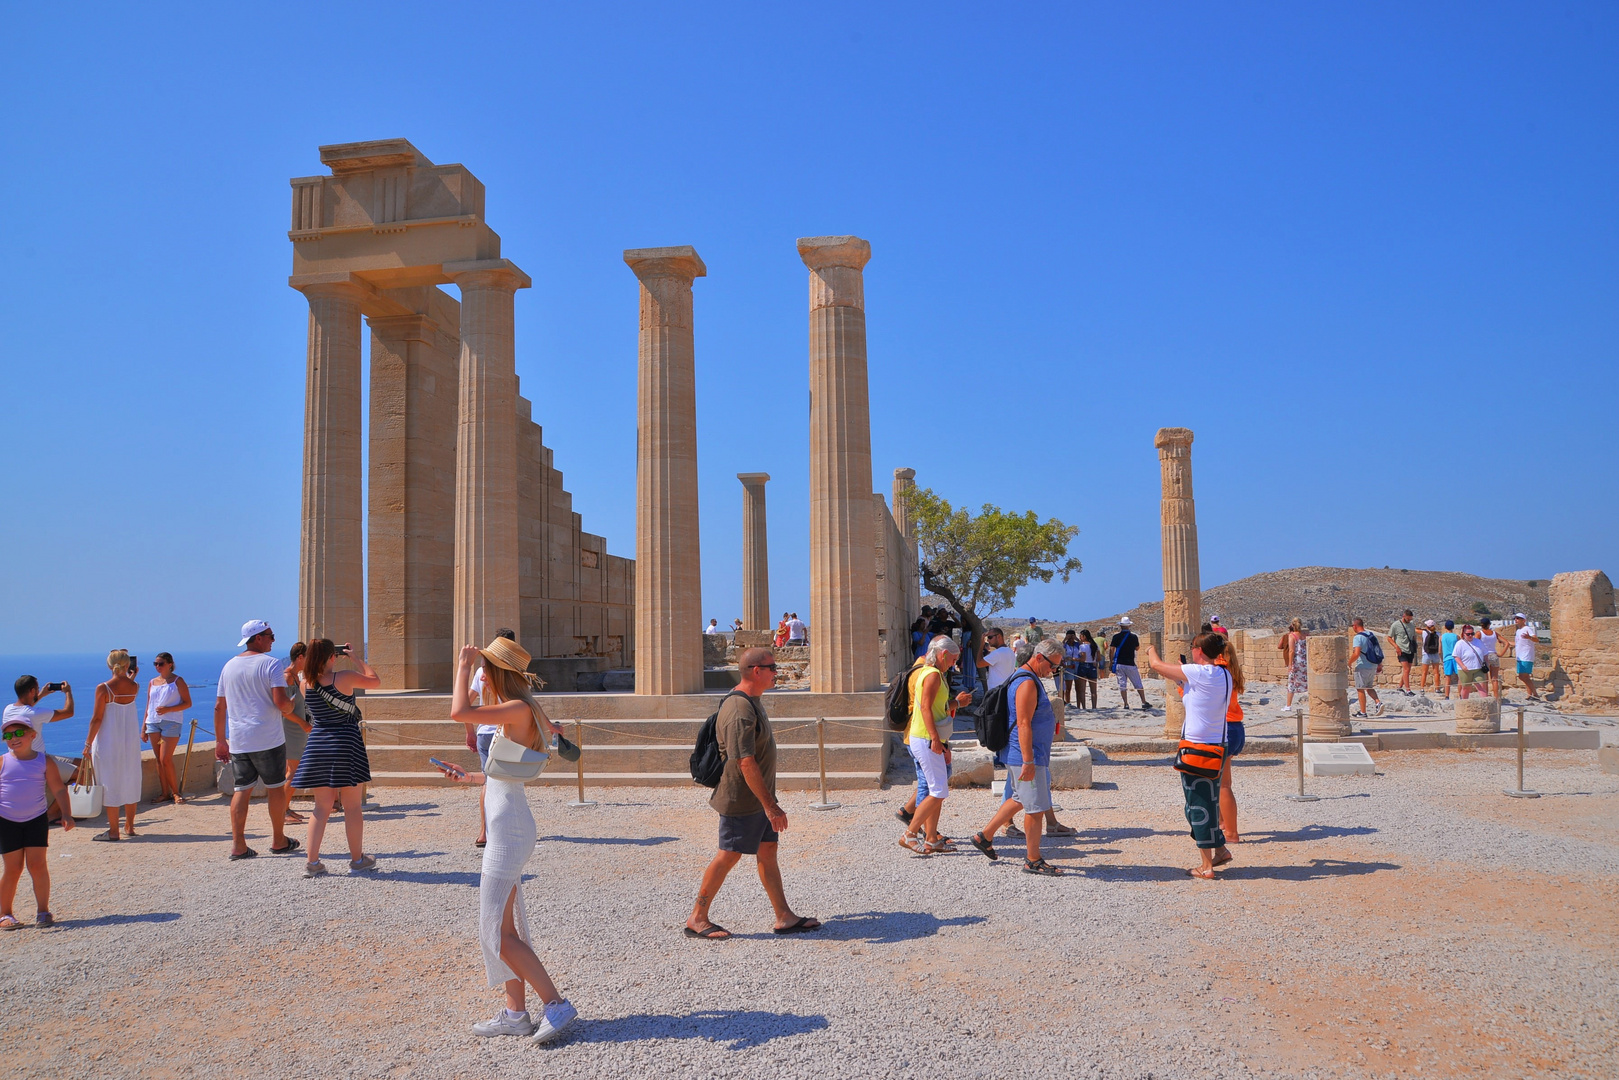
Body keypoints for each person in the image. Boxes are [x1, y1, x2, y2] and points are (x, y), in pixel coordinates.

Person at [439, 636, 577, 1043]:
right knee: (505, 927)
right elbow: (505, 774)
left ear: (497, 672)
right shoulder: (522, 709)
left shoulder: (516, 708)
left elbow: (458, 711)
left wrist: (461, 666)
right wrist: (469, 777)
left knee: (495, 931)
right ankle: (516, 1013)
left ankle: (556, 1004)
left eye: (485, 666)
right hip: (509, 820)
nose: (480, 671)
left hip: (508, 829)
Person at [685, 648, 820, 941]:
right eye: (772, 667)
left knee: (768, 851)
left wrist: (768, 802)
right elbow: (744, 761)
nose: (776, 671)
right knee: (729, 855)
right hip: (741, 799)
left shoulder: (752, 701)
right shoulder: (739, 709)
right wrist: (771, 806)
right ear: (756, 671)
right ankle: (697, 917)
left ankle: (784, 916)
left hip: (758, 798)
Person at [968, 639, 1065, 876]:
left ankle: (984, 836)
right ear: (1039, 657)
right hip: (1027, 755)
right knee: (1035, 808)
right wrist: (1029, 761)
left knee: (1020, 798)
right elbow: (1023, 723)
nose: (1053, 671)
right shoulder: (1027, 683)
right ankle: (1033, 860)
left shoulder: (1024, 677)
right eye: (1052, 666)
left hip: (1023, 754)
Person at [1143, 632, 1235, 879]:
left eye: (1193, 647)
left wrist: (1150, 649)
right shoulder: (1223, 673)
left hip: (1198, 748)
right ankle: (1220, 849)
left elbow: (1156, 665)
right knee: (1208, 802)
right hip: (1216, 745)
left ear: (1199, 651)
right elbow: (1198, 697)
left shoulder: (1200, 672)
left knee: (1198, 805)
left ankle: (1206, 866)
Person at [290, 640, 380, 877]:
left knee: (321, 807)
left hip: (318, 744)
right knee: (352, 807)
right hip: (346, 743)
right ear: (333, 657)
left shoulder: (304, 683)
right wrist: (356, 658)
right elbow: (375, 680)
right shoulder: (345, 677)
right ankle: (357, 860)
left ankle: (312, 863)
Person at [215, 620, 300, 861]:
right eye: (270, 635)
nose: (273, 639)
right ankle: (278, 840)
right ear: (258, 638)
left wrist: (221, 740)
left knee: (241, 790)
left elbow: (219, 706)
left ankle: (239, 845)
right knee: (275, 789)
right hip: (268, 738)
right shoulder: (271, 664)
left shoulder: (229, 666)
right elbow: (282, 703)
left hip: (240, 739)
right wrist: (293, 702)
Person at [899, 637, 971, 854]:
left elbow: (937, 707)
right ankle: (910, 833)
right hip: (925, 738)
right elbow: (926, 709)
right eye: (954, 659)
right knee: (938, 791)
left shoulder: (932, 673)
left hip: (927, 737)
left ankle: (931, 839)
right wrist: (935, 740)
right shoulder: (932, 675)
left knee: (936, 789)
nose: (954, 664)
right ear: (944, 655)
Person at [1, 715, 74, 930]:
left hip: (35, 819)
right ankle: (5, 913)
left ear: (33, 735)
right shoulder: (2, 762)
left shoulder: (44, 761)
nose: (13, 738)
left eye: (19, 733)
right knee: (12, 869)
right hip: (6, 821)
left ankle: (43, 911)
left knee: (38, 865)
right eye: (8, 735)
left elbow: (59, 788)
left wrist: (67, 814)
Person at [83, 650, 144, 841]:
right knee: (130, 779)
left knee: (109, 782)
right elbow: (126, 688)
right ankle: (130, 826)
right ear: (127, 665)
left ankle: (113, 831)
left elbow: (97, 718)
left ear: (110, 665)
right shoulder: (135, 686)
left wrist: (87, 743)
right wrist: (131, 677)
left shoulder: (103, 688)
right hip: (130, 743)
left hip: (108, 742)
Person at [471, 628, 519, 849]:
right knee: (509, 782)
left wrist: (469, 730)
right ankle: (504, 829)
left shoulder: (481, 669)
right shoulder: (512, 669)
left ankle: (484, 832)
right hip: (505, 732)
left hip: (483, 732)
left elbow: (465, 701)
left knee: (488, 782)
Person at [142, 653, 191, 804]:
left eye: (161, 663)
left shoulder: (177, 681)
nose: (158, 666)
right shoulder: (152, 682)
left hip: (171, 722)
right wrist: (143, 727)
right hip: (153, 722)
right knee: (159, 760)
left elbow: (187, 703)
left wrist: (168, 709)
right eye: (155, 663)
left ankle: (176, 792)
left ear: (170, 664)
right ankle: (165, 793)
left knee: (165, 759)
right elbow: (148, 705)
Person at [1215, 645, 1246, 844]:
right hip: (1236, 727)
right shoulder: (1231, 670)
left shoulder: (1219, 671)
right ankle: (1222, 823)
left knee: (1223, 785)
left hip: (1224, 728)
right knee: (1221, 782)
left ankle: (1231, 833)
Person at [7, 676, 75, 762]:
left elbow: (26, 708)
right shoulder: (35, 713)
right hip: (37, 761)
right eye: (37, 689)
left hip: (22, 758)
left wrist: (42, 694)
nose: (38, 691)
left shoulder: (8, 709)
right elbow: (69, 712)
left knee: (82, 763)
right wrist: (68, 692)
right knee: (84, 770)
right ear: (32, 691)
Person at [280, 644, 311, 825]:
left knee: (290, 771)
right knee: (293, 771)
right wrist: (304, 724)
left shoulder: (294, 677)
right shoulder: (287, 678)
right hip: (292, 730)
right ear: (300, 657)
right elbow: (285, 710)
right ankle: (282, 812)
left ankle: (286, 807)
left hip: (296, 730)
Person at [1110, 618, 1148, 710]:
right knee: (1138, 683)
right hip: (1130, 663)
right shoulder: (1133, 637)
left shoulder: (1116, 637)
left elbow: (1111, 650)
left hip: (1119, 663)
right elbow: (1137, 648)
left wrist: (1111, 661)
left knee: (1122, 685)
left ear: (1120, 626)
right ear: (1129, 626)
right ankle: (1143, 702)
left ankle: (1126, 704)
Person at [1349, 619, 1384, 718]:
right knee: (1369, 687)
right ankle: (1378, 702)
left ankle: (1363, 712)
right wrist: (1379, 664)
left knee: (1360, 689)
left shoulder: (1358, 637)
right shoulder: (1370, 634)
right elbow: (1377, 650)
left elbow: (1356, 653)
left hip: (1362, 666)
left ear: (1355, 626)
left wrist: (1349, 662)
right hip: (1373, 665)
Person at [1452, 625, 1487, 699]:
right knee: (1466, 688)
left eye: (1472, 633)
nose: (1470, 635)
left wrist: (1486, 663)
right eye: (1468, 634)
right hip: (1465, 670)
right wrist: (1463, 666)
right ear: (1464, 634)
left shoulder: (1478, 641)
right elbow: (1456, 656)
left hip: (1478, 668)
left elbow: (1485, 653)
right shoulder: (1460, 643)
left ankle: (1485, 703)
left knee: (1481, 686)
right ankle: (1464, 703)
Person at [1280, 620, 1309, 709]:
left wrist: (1290, 664)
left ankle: (1288, 706)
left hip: (1297, 661)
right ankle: (1312, 704)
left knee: (1291, 683)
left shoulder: (1292, 636)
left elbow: (1292, 651)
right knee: (1308, 683)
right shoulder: (1305, 635)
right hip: (1306, 661)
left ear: (1292, 625)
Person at [1389, 610, 1418, 695]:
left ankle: (1399, 686)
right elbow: (1389, 637)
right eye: (1408, 619)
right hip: (1401, 650)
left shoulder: (1412, 625)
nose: (1409, 620)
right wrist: (1396, 647)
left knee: (1407, 670)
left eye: (1410, 619)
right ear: (1404, 616)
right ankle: (1408, 690)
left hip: (1410, 649)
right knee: (1406, 669)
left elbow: (1413, 636)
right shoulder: (1395, 625)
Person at [1512, 614, 1540, 700]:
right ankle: (1529, 694)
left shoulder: (1527, 629)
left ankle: (1535, 694)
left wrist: (1529, 637)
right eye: (1515, 618)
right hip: (1520, 656)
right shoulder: (1518, 631)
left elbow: (1536, 639)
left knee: (1522, 676)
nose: (1516, 620)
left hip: (1526, 656)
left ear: (1523, 620)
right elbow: (1518, 643)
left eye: (1518, 618)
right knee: (1526, 677)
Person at [1075, 629, 1102, 710]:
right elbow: (1099, 658)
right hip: (1092, 666)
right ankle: (1094, 707)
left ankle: (1084, 707)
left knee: (1082, 690)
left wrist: (1073, 659)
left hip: (1083, 665)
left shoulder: (1082, 646)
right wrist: (1094, 661)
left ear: (1084, 637)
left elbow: (1083, 659)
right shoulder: (1095, 645)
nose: (1080, 638)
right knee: (1093, 690)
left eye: (1081, 636)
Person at [1477, 617, 1503, 699]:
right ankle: (1496, 697)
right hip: (1494, 655)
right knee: (1494, 678)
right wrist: (1501, 653)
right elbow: (1506, 642)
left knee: (1485, 679)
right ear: (1489, 624)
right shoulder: (1495, 634)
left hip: (1485, 656)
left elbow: (1474, 643)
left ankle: (1486, 696)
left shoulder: (1479, 633)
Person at [1418, 620, 1444, 694]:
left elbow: (1415, 630)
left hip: (1426, 654)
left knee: (1424, 672)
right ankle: (1437, 688)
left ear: (1427, 626)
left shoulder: (1424, 633)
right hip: (1435, 654)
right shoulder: (1438, 634)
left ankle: (1422, 688)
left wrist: (1423, 629)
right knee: (1436, 672)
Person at [1060, 629, 1084, 708]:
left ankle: (1078, 705)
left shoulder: (1077, 644)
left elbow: (1082, 645)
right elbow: (1060, 648)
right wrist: (1065, 639)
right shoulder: (1065, 645)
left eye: (1072, 637)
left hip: (1077, 665)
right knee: (1068, 687)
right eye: (1069, 637)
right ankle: (1068, 703)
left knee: (1078, 687)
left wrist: (1077, 639)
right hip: (1069, 666)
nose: (1071, 639)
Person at [1440, 620, 1459, 699]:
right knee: (1459, 677)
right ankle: (1461, 695)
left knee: (1447, 678)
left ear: (1445, 627)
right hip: (1456, 658)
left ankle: (1447, 695)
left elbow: (1439, 650)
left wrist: (1442, 659)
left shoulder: (1442, 637)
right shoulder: (1456, 637)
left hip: (1447, 658)